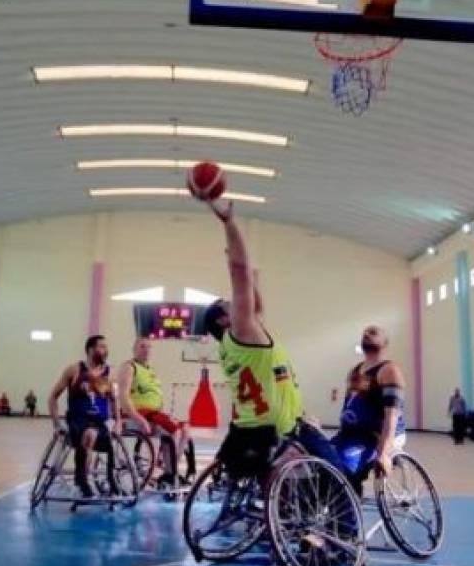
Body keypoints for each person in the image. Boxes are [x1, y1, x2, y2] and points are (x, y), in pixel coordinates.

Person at [200, 198, 345, 482]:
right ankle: (347, 526)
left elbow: (258, 305)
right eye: (227, 303)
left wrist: (252, 276)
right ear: (222, 319)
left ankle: (274, 512)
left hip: (250, 426)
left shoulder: (236, 344)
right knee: (338, 473)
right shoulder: (241, 331)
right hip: (277, 428)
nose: (234, 302)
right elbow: (239, 272)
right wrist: (229, 223)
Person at [330, 325, 408, 494]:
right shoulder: (355, 371)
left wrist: (385, 453)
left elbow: (392, 416)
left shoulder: (389, 370)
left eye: (374, 332)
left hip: (378, 436)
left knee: (344, 468)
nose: (368, 333)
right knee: (322, 459)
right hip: (353, 435)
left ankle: (349, 514)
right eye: (365, 332)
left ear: (385, 344)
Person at [117, 337, 197, 484]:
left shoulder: (150, 371)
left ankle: (170, 469)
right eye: (142, 346)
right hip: (138, 414)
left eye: (149, 347)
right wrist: (138, 419)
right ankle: (170, 473)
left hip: (153, 414)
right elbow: (123, 397)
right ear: (134, 349)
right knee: (173, 430)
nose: (146, 349)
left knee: (186, 430)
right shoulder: (129, 367)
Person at [49, 335, 121, 498]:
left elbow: (114, 399)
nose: (105, 350)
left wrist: (118, 422)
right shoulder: (74, 370)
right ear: (90, 349)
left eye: (106, 347)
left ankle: (109, 479)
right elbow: (53, 397)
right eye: (101, 346)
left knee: (97, 435)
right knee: (89, 434)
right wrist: (56, 424)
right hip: (78, 420)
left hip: (99, 422)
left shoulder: (110, 373)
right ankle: (81, 481)